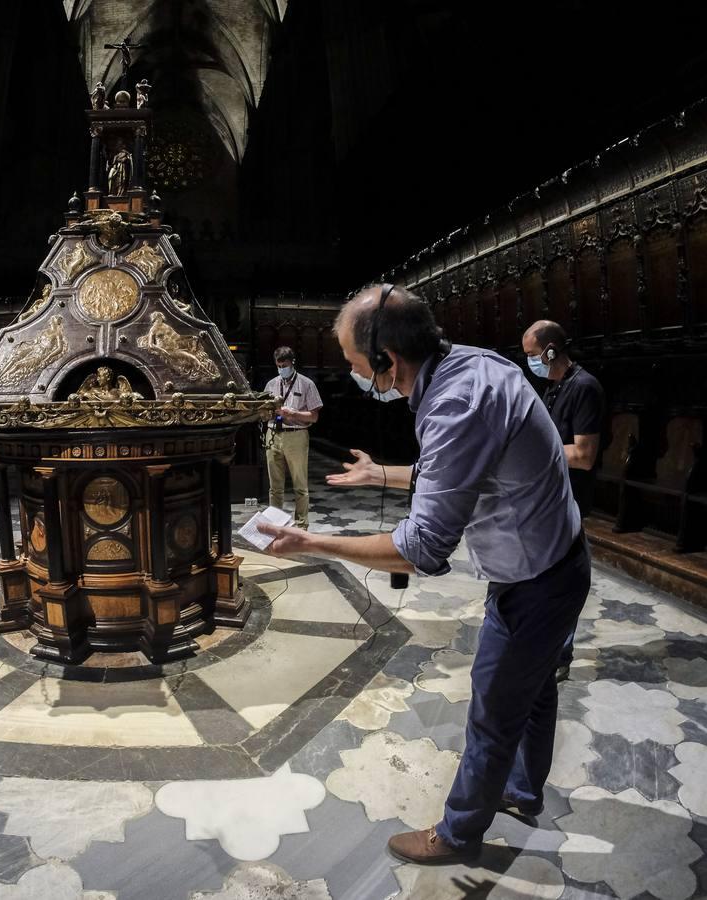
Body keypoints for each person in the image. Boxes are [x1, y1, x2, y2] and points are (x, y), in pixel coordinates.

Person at [258, 285, 588, 865]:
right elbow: (459, 469)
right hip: (557, 559)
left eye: (357, 365)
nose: (357, 376)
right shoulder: (475, 365)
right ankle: (522, 789)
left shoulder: (457, 402)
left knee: (492, 712)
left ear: (387, 359)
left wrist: (314, 542)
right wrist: (381, 474)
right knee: (533, 692)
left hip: (537, 580)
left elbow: (422, 548)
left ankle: (459, 836)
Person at [522, 319, 603, 681]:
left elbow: (584, 455)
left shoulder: (584, 387)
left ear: (550, 350)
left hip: (570, 500)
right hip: (546, 497)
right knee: (543, 579)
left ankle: (560, 654)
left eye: (531, 355)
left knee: (563, 581)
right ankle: (545, 643)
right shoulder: (553, 386)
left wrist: (538, 450)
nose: (530, 362)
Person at [263, 347, 323, 530]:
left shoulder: (306, 384)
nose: (282, 369)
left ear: (292, 363)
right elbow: (263, 413)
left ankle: (301, 524)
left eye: (285, 365)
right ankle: (275, 523)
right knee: (275, 486)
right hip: (273, 433)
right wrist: (267, 413)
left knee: (299, 484)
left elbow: (314, 416)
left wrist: (294, 413)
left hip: (296, 435)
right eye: (279, 365)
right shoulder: (271, 384)